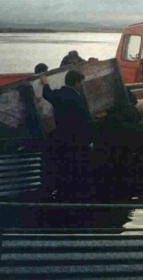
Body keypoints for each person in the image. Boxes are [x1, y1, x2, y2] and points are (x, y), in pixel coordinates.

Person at [40, 69, 93, 198]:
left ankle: (63, 190)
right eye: (81, 82)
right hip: (77, 138)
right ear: (75, 83)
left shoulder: (59, 94)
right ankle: (75, 191)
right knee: (76, 165)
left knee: (64, 164)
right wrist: (89, 139)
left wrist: (45, 83)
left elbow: (47, 94)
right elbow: (84, 120)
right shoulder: (77, 99)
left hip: (61, 135)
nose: (81, 85)